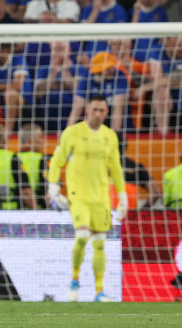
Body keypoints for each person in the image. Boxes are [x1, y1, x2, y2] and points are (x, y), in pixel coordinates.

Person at [48, 94, 128, 302]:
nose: (98, 114)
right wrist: (53, 187)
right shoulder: (72, 133)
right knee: (82, 237)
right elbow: (57, 161)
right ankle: (74, 280)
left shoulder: (110, 136)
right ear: (87, 110)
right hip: (78, 196)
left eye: (102, 110)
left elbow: (116, 168)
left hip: (101, 197)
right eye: (94, 110)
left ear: (107, 112)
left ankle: (99, 291)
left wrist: (122, 196)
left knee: (100, 244)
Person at [17, 123, 48, 208]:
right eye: (40, 137)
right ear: (31, 140)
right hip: (37, 211)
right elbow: (46, 192)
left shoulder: (13, 158)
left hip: (15, 211)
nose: (42, 141)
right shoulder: (39, 159)